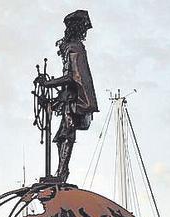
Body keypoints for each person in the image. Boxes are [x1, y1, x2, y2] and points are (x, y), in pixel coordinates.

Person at [34, 9, 97, 182]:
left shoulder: (74, 48)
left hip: (73, 101)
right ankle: (61, 173)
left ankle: (62, 174)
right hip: (68, 98)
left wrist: (48, 83)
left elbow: (72, 77)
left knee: (66, 135)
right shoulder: (73, 47)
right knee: (62, 137)